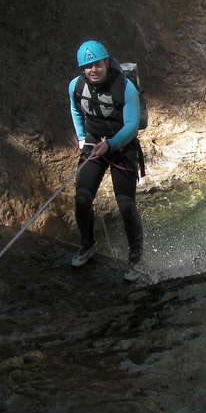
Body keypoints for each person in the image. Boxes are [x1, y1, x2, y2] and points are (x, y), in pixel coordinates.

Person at [68, 39, 145, 282]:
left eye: (97, 64)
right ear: (82, 69)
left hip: (122, 146)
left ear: (106, 62)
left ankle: (135, 258)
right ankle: (88, 244)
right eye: (88, 66)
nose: (93, 70)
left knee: (125, 204)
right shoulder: (76, 86)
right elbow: (75, 110)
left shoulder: (125, 87)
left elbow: (132, 125)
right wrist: (82, 138)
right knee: (81, 197)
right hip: (94, 142)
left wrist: (110, 144)